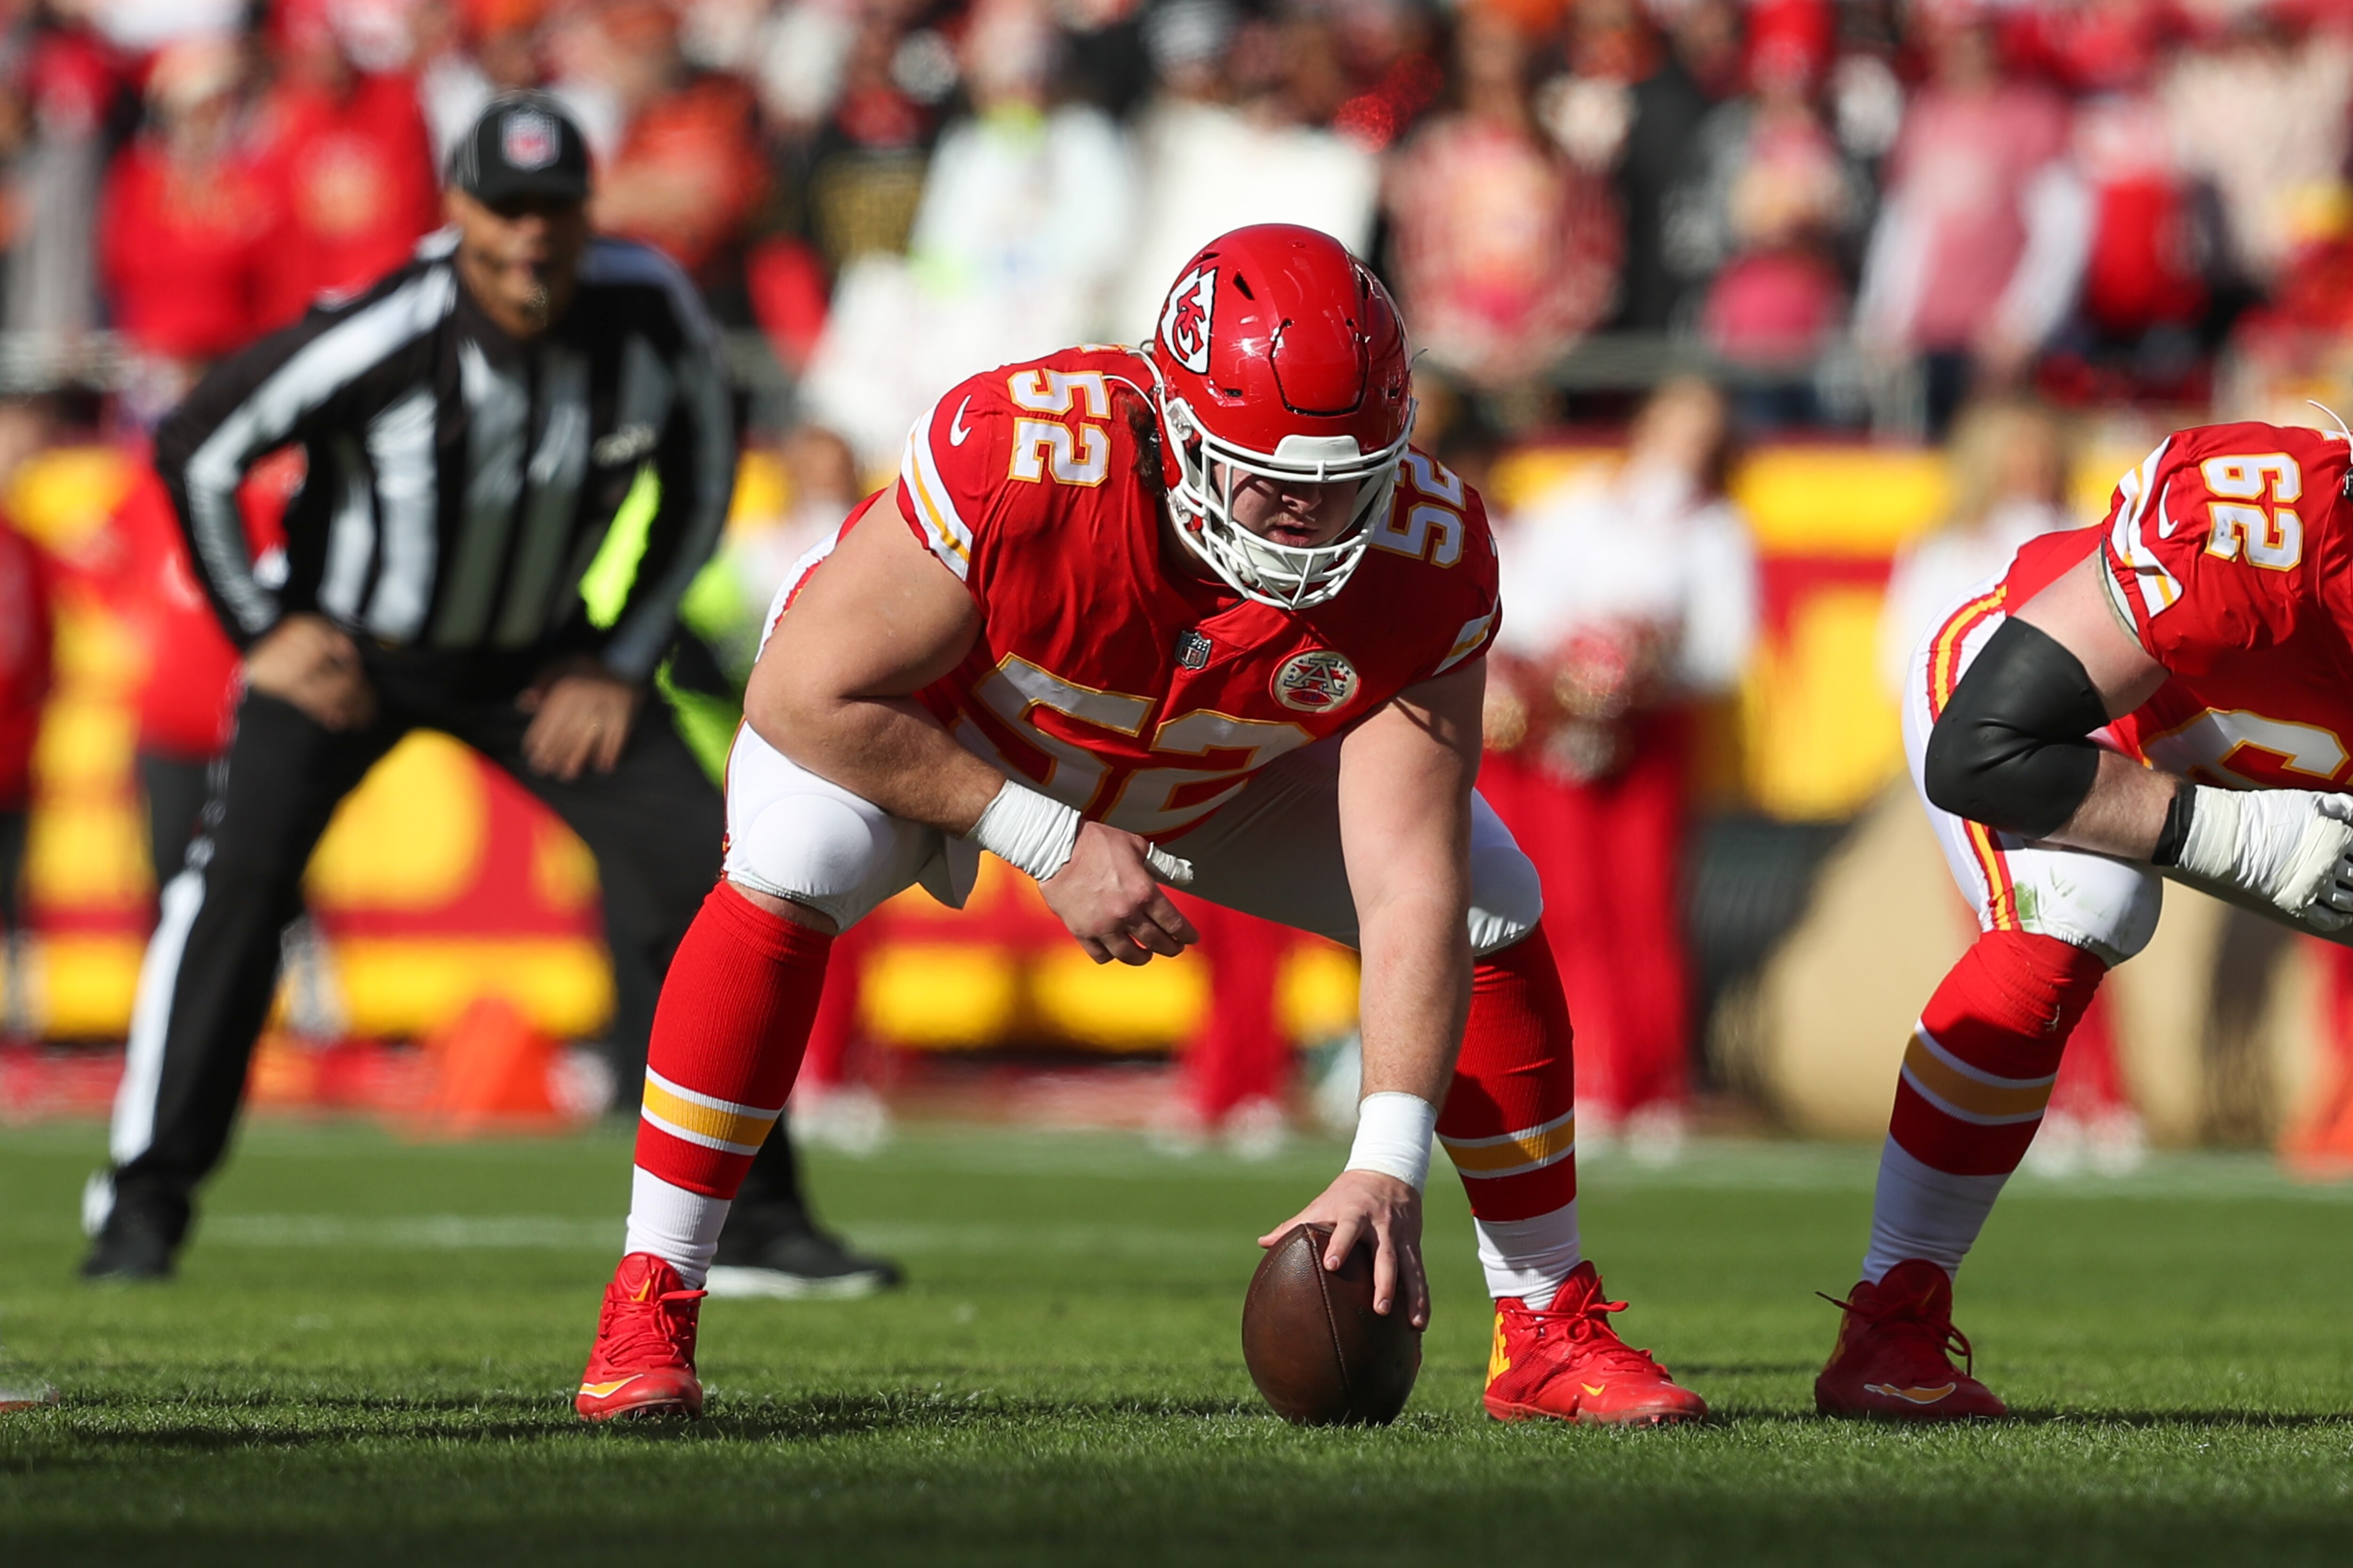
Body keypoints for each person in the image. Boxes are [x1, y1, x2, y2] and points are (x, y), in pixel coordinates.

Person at [570, 223, 1708, 1428]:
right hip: (951, 724)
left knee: (1488, 902)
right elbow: (802, 695)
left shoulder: (1427, 552)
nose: (1303, 523)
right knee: (792, 860)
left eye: (1342, 484)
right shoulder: (1024, 451)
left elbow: (1409, 882)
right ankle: (651, 1297)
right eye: (1269, 478)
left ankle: (1541, 1325)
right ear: (1173, 424)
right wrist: (1046, 837)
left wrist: (1384, 1156)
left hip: (1202, 763)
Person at [82, 94, 887, 1300]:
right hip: (354, 654)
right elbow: (198, 439)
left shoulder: (644, 307)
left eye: (553, 209)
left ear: (584, 215)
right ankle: (141, 1206)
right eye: (504, 210)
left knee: (726, 878)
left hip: (539, 662)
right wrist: (270, 626)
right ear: (457, 213)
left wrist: (618, 659)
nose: (529, 237)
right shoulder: (385, 325)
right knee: (232, 886)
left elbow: (705, 463)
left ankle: (758, 1218)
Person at [1821, 414, 2353, 1417]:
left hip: (2211, 763)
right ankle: (1892, 1313)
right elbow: (1982, 749)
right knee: (2087, 899)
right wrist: (2241, 842)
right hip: (2044, 710)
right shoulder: (2268, 512)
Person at [1479, 378, 1755, 1152]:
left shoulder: (1717, 527)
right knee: (1567, 906)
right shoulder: (1580, 504)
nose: (1688, 444)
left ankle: (1656, 1083)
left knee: (1645, 910)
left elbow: (1725, 653)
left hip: (1652, 735)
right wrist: (1574, 673)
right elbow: (1528, 607)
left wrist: (1640, 669)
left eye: (1706, 430)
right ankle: (1586, 1077)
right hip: (1557, 732)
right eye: (1679, 422)